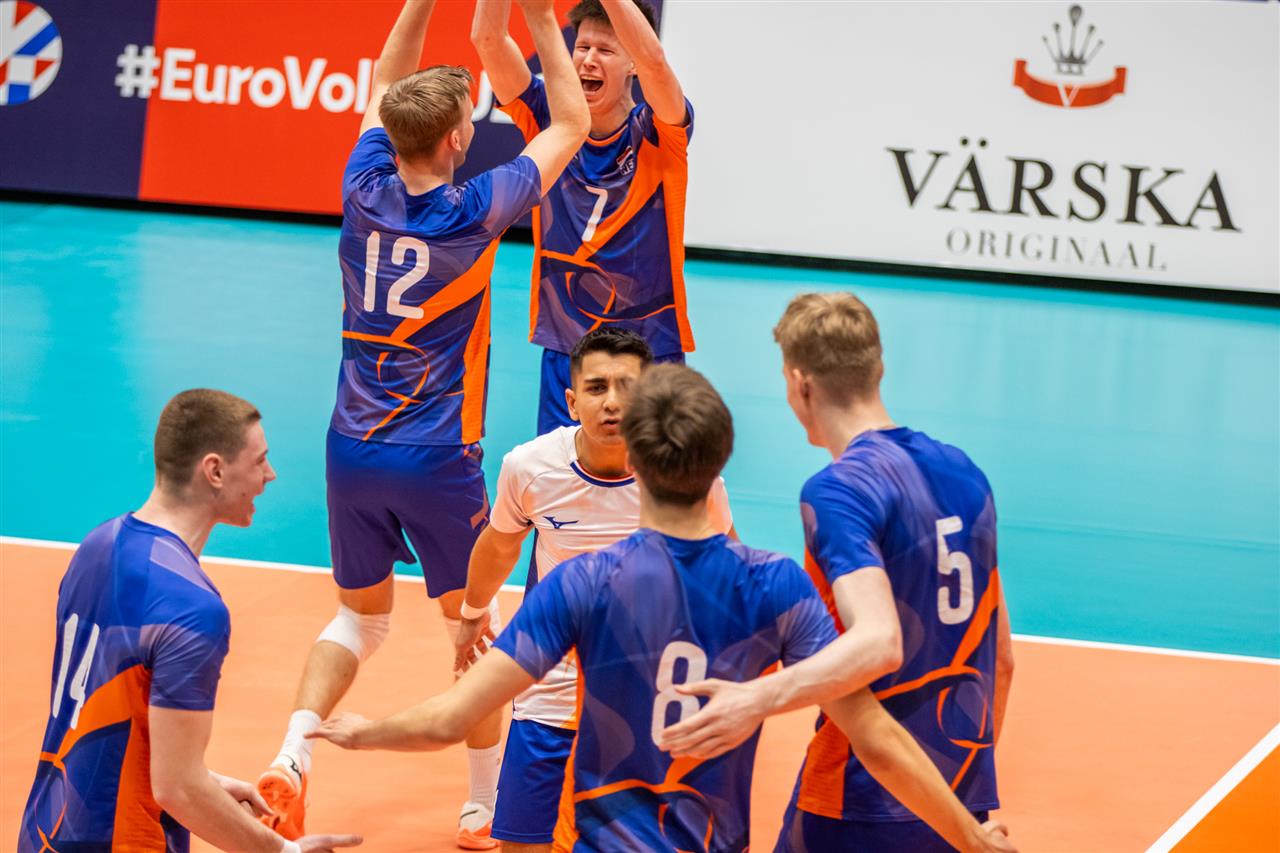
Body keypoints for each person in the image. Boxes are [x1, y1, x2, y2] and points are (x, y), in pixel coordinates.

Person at [307, 365, 1016, 853]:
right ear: (721, 464)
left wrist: (363, 732)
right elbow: (874, 733)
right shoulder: (776, 586)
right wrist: (970, 834)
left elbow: (452, 718)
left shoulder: (582, 582)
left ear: (636, 463)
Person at [254, 1, 589, 848]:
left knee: (360, 619)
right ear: (455, 140)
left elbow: (382, 80)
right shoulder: (476, 207)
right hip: (438, 455)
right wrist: (541, 18)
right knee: (470, 626)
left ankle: (292, 753)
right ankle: (480, 805)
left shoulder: (362, 186)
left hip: (351, 446)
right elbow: (572, 123)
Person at [660, 293, 1017, 852]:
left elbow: (878, 644)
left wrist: (755, 698)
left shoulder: (838, 491)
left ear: (799, 383)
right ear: (879, 368)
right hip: (958, 795)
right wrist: (964, 814)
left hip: (861, 800)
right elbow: (1002, 659)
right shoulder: (963, 470)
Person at [17, 389, 360, 853]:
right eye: (260, 461)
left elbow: (111, 721)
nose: (270, 475)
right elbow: (176, 789)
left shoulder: (97, 546)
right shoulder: (192, 609)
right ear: (214, 470)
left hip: (48, 831)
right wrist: (284, 850)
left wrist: (208, 783)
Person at [452, 328, 733, 851]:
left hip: (649, 700)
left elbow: (726, 568)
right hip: (551, 691)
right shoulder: (530, 467)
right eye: (597, 387)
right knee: (522, 844)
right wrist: (473, 613)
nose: (613, 403)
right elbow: (499, 545)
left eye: (628, 387)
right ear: (571, 400)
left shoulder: (686, 474)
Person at [472, 0, 697, 435]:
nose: (589, 59)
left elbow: (655, 59)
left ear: (632, 63)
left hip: (649, 347)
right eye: (582, 47)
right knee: (561, 472)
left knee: (652, 474)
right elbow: (487, 39)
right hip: (568, 346)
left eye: (605, 50)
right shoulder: (549, 121)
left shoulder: (657, 131)